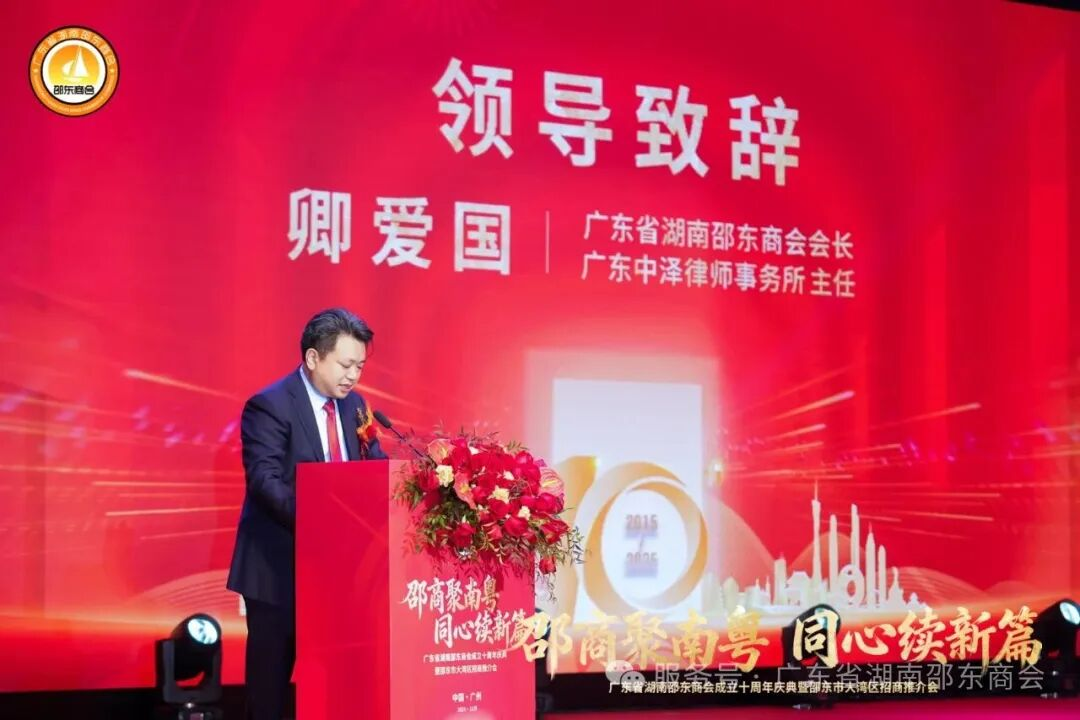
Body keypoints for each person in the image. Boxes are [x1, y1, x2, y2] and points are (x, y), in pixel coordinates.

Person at [227, 307, 387, 720]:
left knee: (339, 690)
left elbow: (375, 469)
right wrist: (323, 526)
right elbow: (265, 482)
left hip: (342, 578)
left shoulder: (356, 407)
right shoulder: (269, 406)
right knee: (269, 693)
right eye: (346, 365)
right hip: (279, 571)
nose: (353, 376)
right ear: (314, 358)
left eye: (360, 366)